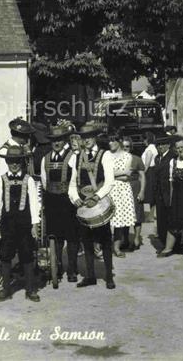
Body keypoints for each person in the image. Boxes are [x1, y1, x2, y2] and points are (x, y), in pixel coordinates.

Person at [68, 124, 116, 289]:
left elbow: (109, 181)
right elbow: (73, 182)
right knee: (86, 241)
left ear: (94, 137)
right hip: (84, 204)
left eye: (89, 137)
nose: (86, 140)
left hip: (99, 202)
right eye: (83, 137)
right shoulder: (76, 157)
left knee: (105, 241)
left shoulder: (106, 155)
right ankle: (90, 276)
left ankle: (109, 276)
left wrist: (97, 196)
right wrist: (74, 198)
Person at [0, 146, 41, 302]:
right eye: (11, 161)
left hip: (25, 224)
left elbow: (34, 203)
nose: (14, 165)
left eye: (17, 161)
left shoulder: (29, 180)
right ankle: (6, 289)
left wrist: (35, 224)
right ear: (7, 162)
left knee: (27, 254)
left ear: (22, 162)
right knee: (5, 255)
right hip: (7, 223)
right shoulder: (1, 179)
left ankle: (30, 289)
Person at [40, 125, 79, 282]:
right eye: (54, 140)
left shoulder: (73, 157)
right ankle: (57, 266)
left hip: (68, 201)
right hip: (52, 201)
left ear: (64, 141)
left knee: (72, 237)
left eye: (59, 140)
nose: (56, 143)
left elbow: (75, 179)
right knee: (54, 236)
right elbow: (44, 181)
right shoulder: (46, 158)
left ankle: (72, 269)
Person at [107, 134, 137, 257]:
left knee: (119, 222)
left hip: (122, 190)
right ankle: (104, 246)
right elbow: (104, 173)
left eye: (113, 140)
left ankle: (117, 247)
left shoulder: (127, 156)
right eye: (109, 141)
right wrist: (119, 173)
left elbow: (127, 175)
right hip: (108, 188)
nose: (110, 143)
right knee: (106, 220)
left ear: (119, 141)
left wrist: (111, 173)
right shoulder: (106, 155)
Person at [122, 137, 146, 251]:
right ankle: (125, 239)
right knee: (123, 216)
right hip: (121, 189)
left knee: (137, 215)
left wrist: (142, 191)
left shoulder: (137, 159)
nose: (125, 148)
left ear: (130, 148)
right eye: (123, 146)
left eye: (127, 146)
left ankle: (136, 239)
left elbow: (142, 176)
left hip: (134, 188)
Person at [140, 132, 158, 220]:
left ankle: (148, 216)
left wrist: (142, 175)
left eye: (144, 139)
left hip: (149, 172)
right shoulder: (153, 148)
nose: (143, 142)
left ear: (147, 139)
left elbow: (146, 165)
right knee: (152, 195)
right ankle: (150, 216)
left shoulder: (149, 149)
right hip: (152, 172)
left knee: (148, 195)